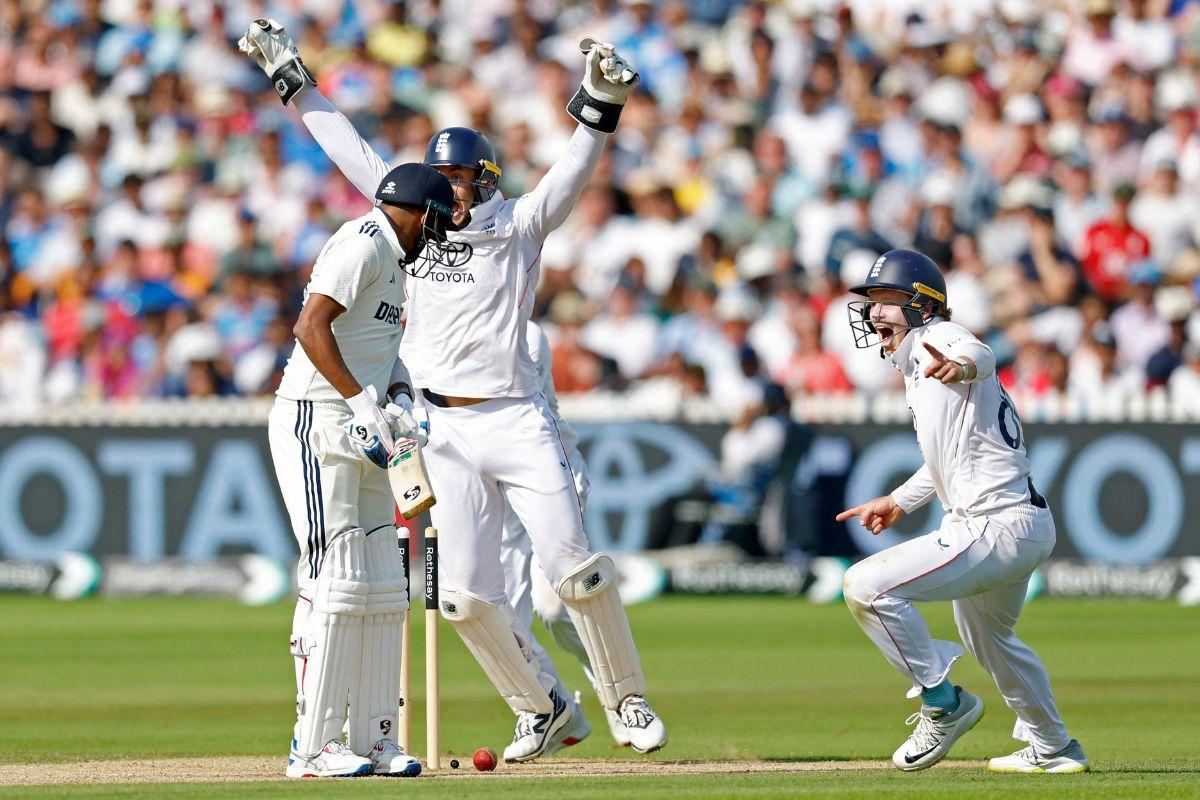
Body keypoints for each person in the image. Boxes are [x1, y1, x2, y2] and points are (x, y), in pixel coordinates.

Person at [240, 20, 668, 762]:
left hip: (516, 419)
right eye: (444, 183)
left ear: (489, 182)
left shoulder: (520, 225)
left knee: (573, 568)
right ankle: (543, 708)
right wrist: (294, 82)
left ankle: (626, 698)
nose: (452, 195)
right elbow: (348, 148)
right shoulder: (411, 228)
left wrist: (598, 105)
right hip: (438, 430)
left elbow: (570, 172)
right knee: (462, 599)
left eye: (465, 182)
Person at [835, 249, 1089, 774]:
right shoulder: (918, 368)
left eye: (886, 303)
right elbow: (947, 458)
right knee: (990, 639)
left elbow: (977, 348)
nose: (873, 314)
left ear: (922, 307)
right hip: (1021, 521)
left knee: (865, 586)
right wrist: (899, 501)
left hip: (994, 525)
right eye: (871, 304)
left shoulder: (939, 339)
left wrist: (965, 362)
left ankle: (942, 704)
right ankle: (1054, 748)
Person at [268, 162, 463, 778]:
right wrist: (360, 402)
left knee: (382, 581)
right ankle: (313, 745)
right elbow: (311, 326)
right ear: (422, 212)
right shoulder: (363, 245)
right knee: (339, 577)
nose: (440, 232)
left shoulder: (398, 267)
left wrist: (400, 398)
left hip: (369, 429)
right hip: (316, 423)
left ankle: (376, 737)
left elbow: (383, 351)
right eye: (438, 218)